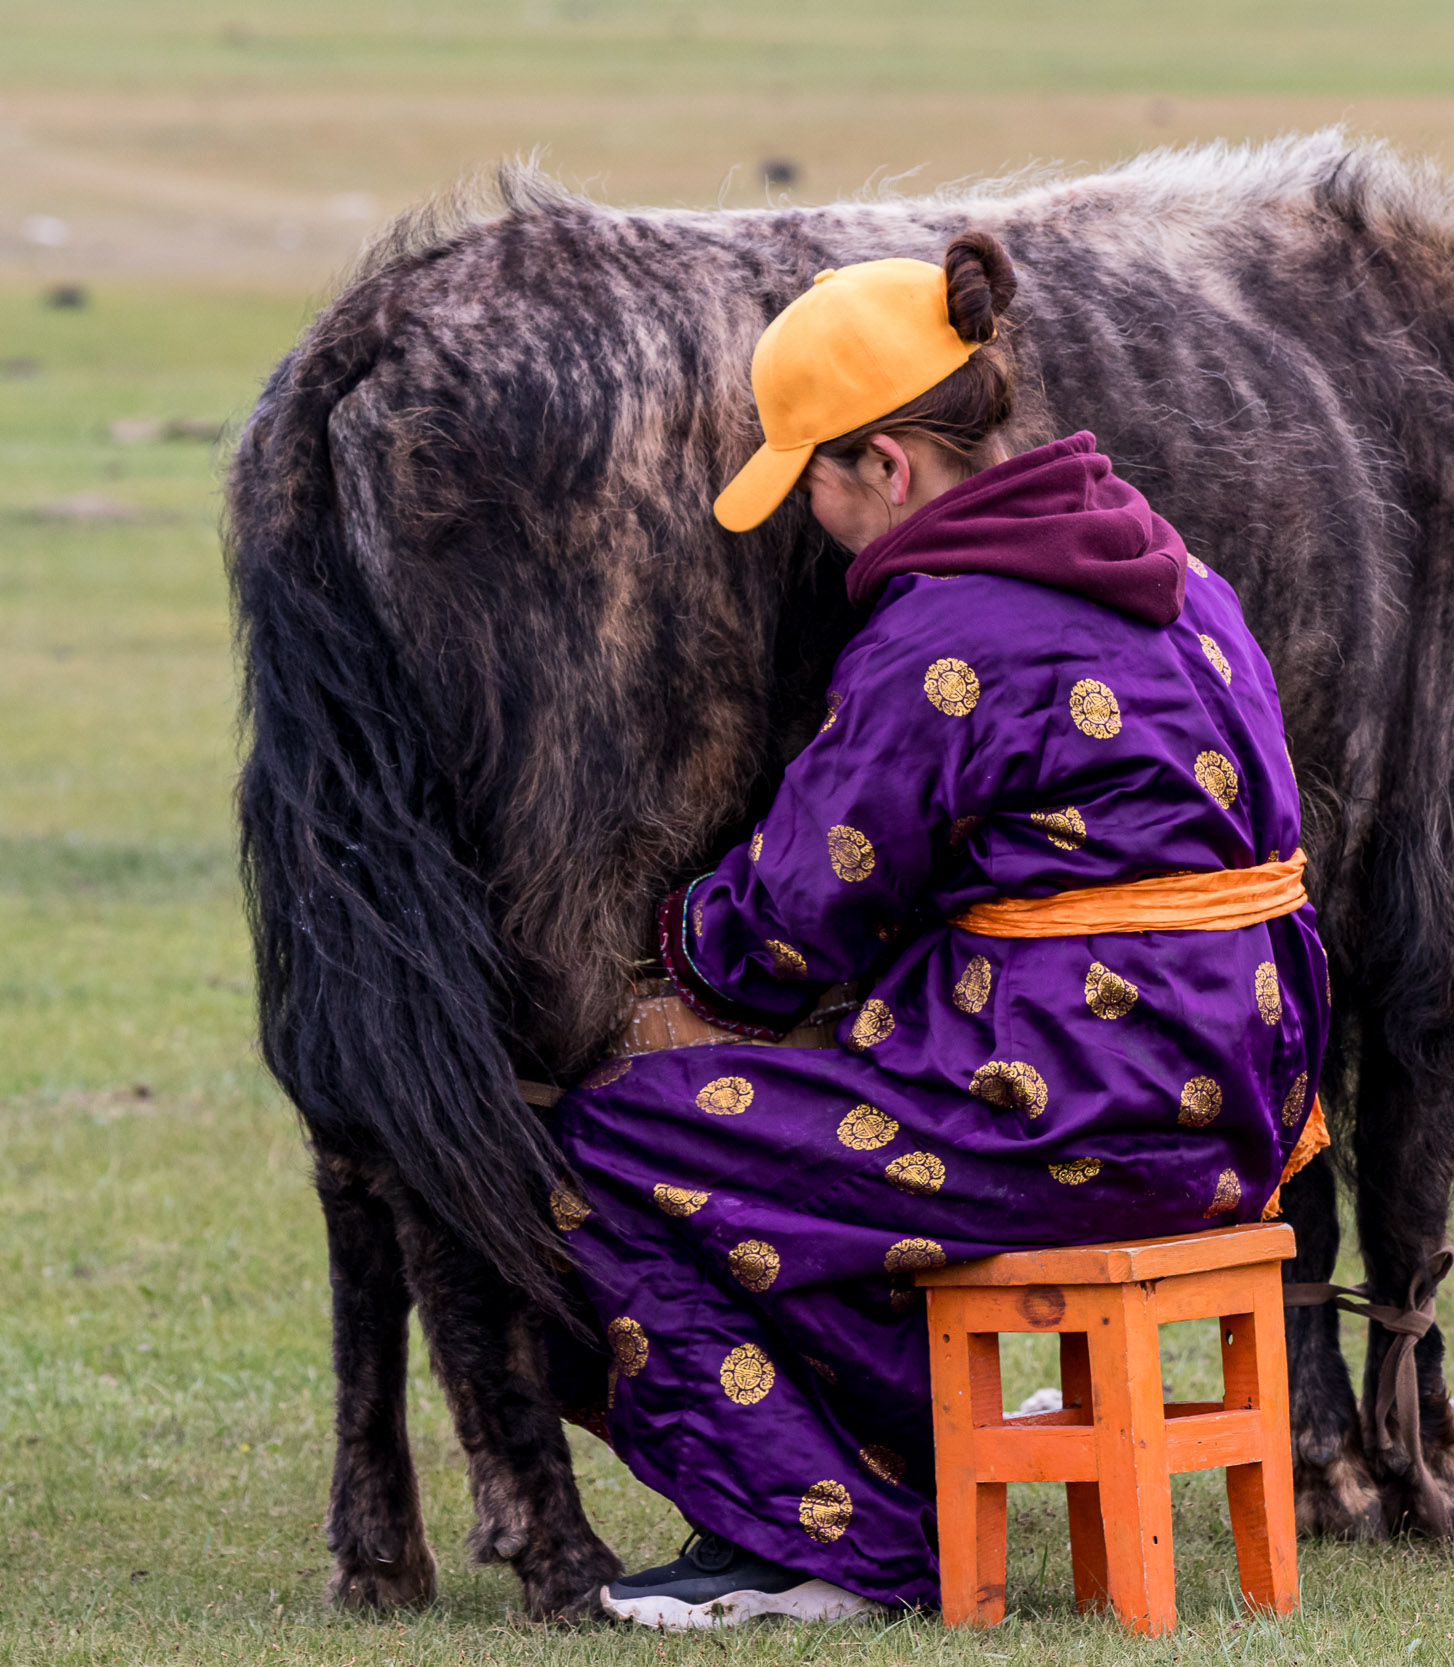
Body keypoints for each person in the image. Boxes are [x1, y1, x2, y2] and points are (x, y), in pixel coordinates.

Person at [546, 233, 1331, 1630]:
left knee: (595, 1146)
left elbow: (794, 920)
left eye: (819, 489)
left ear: (889, 469)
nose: (817, 526)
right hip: (1243, 1110)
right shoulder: (1177, 576)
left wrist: (672, 950)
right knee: (818, 1105)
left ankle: (827, 1537)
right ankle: (902, 1462)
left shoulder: (942, 634)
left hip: (1084, 1120)